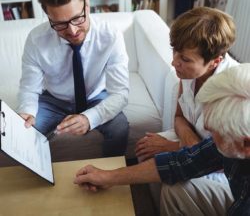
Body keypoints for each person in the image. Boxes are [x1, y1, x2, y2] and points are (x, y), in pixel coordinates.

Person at [74, 63, 250, 216]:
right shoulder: (237, 138)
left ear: (246, 144)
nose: (208, 129)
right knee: (175, 189)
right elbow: (183, 162)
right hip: (236, 197)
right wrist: (108, 177)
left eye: (214, 130)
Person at [17, 0, 129, 157]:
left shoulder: (111, 35)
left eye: (77, 18)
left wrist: (89, 118)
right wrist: (26, 112)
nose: (73, 31)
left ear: (87, 5)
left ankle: (108, 176)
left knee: (119, 129)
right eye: (60, 24)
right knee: (25, 132)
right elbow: (29, 89)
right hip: (54, 100)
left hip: (95, 96)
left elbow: (121, 94)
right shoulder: (36, 40)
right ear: (48, 17)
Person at [135, 6, 238, 162]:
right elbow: (179, 117)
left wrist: (173, 147)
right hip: (193, 142)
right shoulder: (189, 72)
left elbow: (224, 159)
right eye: (174, 50)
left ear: (214, 62)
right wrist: (190, 142)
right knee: (144, 149)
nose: (174, 62)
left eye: (185, 59)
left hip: (220, 164)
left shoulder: (234, 95)